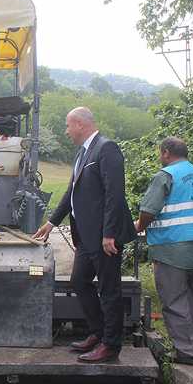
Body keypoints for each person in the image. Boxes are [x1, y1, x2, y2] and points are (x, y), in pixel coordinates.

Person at [33, 107, 136, 362]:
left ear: (79, 124)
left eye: (68, 126)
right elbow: (72, 192)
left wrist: (109, 233)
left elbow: (115, 194)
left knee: (108, 289)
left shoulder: (106, 148)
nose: (66, 131)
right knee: (79, 281)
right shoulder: (83, 152)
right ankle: (98, 333)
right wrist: (52, 223)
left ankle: (111, 345)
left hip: (104, 237)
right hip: (86, 237)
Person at [134, 137, 193, 365]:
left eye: (161, 153)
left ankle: (187, 353)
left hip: (172, 250)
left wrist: (139, 226)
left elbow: (148, 210)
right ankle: (190, 343)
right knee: (192, 300)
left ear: (166, 153)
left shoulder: (165, 176)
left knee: (175, 300)